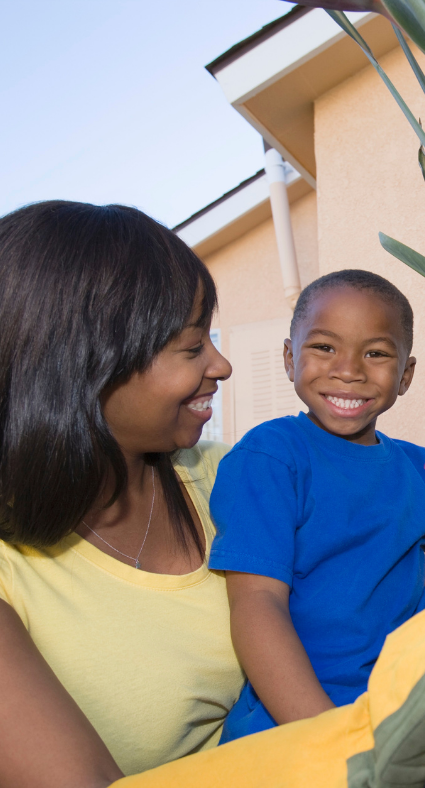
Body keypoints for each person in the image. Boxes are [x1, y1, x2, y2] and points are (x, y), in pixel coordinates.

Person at [208, 270, 425, 751]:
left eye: (375, 353)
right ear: (290, 359)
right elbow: (256, 604)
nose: (349, 369)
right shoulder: (271, 457)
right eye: (324, 348)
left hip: (407, 714)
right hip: (297, 725)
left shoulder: (419, 468)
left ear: (405, 375)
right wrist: (330, 738)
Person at [0, 200, 243, 787]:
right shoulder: (12, 572)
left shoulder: (226, 479)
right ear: (82, 368)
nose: (222, 364)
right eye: (191, 348)